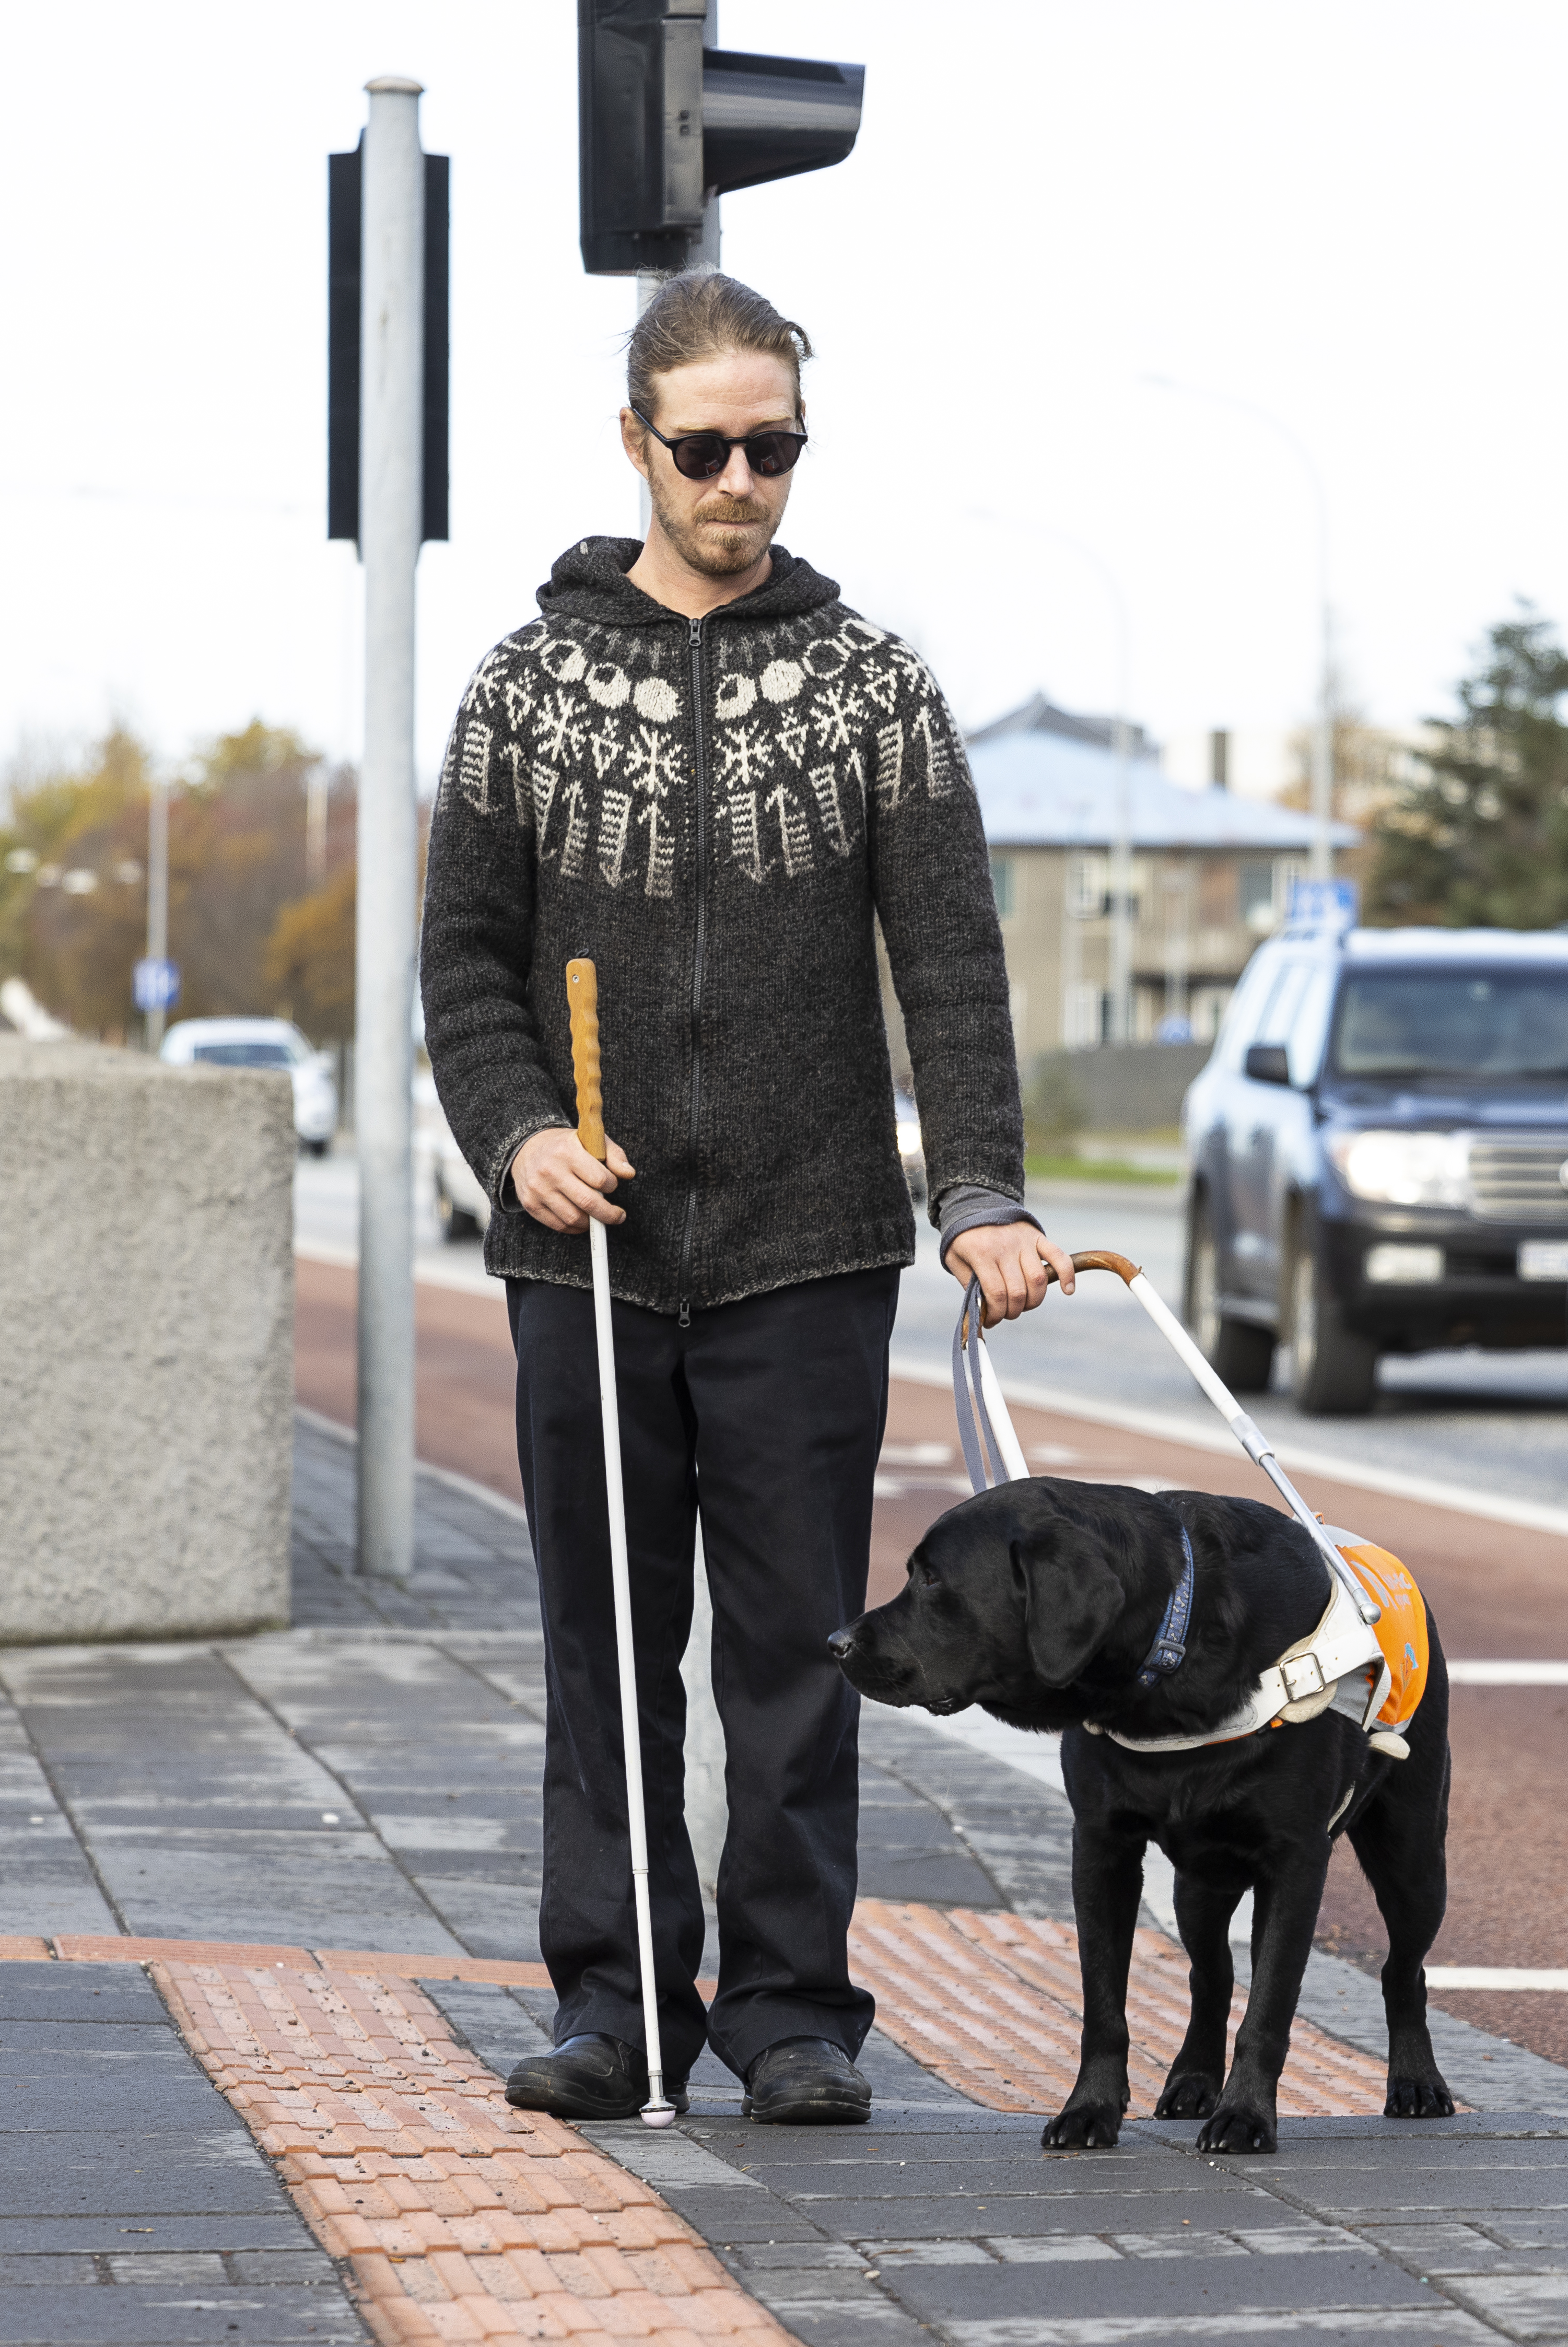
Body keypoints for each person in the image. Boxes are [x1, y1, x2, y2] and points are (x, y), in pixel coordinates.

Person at [421, 272, 1073, 2126]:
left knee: (797, 1651)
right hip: (591, 1254)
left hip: (810, 1250)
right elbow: (461, 959)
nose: (739, 482)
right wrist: (520, 1133)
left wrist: (980, 1189)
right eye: (704, 447)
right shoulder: (525, 689)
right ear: (635, 442)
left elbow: (952, 962)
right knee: (604, 1649)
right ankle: (615, 2003)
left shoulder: (876, 687)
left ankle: (791, 2012)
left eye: (771, 448)